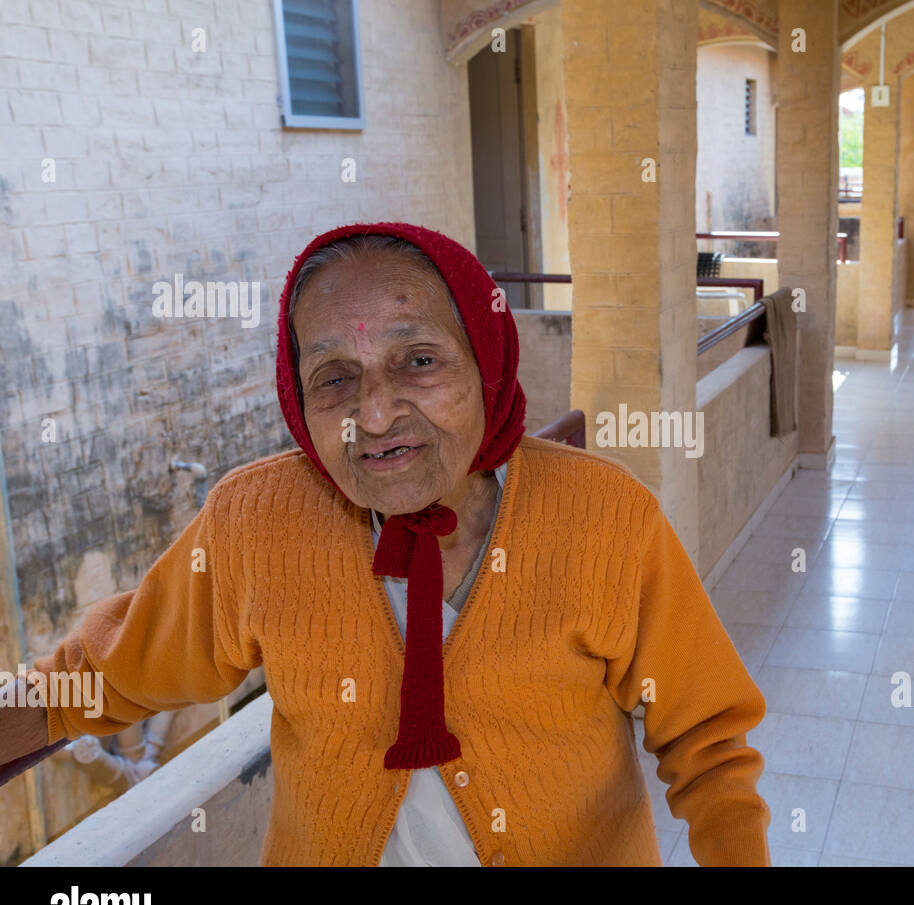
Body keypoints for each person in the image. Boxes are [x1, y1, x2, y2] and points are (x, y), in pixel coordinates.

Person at [2, 221, 771, 867]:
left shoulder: (605, 519)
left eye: (419, 360)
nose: (374, 414)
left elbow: (707, 741)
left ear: (486, 362)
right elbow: (104, 675)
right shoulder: (258, 523)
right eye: (334, 377)